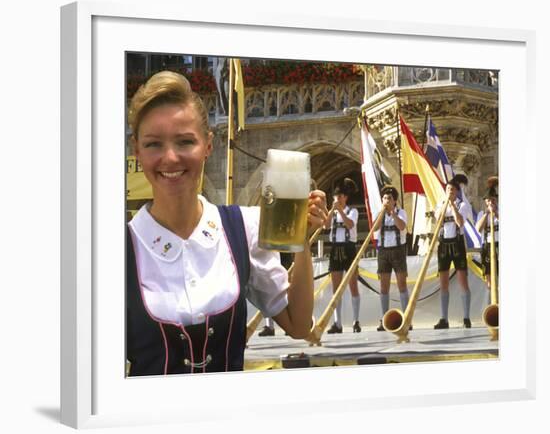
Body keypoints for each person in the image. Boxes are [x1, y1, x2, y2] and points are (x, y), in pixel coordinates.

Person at [125, 71, 328, 376]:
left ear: (208, 144)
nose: (170, 157)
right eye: (154, 144)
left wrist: (301, 242)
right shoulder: (116, 250)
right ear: (136, 150)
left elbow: (299, 325)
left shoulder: (241, 228)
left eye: (185, 141)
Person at [433, 179, 472, 329]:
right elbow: (438, 222)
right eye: (447, 189)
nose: (449, 191)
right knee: (443, 283)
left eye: (452, 190)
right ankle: (444, 318)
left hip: (457, 243)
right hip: (443, 244)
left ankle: (466, 317)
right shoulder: (439, 204)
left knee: (463, 280)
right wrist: (445, 204)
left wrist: (452, 205)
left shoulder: (462, 205)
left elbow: (460, 222)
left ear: (456, 192)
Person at [370, 186, 410, 331]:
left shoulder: (401, 213)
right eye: (385, 198)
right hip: (383, 251)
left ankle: (406, 317)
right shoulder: (378, 213)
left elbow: (402, 226)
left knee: (402, 284)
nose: (387, 201)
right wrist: (382, 212)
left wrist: (393, 214)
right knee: (384, 286)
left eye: (389, 199)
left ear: (394, 201)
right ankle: (384, 318)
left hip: (398, 250)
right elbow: (374, 228)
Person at [324, 178, 361, 334]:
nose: (337, 199)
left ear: (345, 197)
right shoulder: (331, 213)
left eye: (340, 196)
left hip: (349, 248)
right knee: (336, 289)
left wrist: (339, 210)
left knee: (353, 286)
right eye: (335, 196)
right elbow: (325, 226)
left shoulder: (352, 211)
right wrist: (332, 211)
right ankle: (337, 323)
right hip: (335, 249)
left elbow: (350, 224)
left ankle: (355, 321)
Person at [475, 177, 499, 306]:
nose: (491, 202)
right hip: (487, 246)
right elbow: (478, 228)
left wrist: (496, 213)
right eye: (488, 200)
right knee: (489, 278)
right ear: (485, 201)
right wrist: (487, 214)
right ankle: (493, 305)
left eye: (493, 200)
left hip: (500, 245)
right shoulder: (481, 214)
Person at [258, 252, 294, 336]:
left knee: (286, 287)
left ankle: (290, 323)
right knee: (267, 286)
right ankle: (269, 326)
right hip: (270, 253)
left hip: (283, 250)